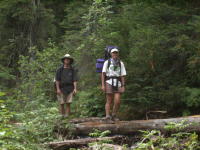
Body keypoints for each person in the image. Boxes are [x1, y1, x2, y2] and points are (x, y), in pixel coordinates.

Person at [101, 48, 126, 121]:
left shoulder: (120, 63)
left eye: (116, 53)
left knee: (117, 101)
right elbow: (103, 74)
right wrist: (103, 85)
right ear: (111, 54)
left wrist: (123, 85)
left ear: (118, 54)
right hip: (109, 81)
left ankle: (114, 115)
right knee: (109, 100)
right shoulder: (107, 62)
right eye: (113, 53)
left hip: (118, 82)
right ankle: (107, 116)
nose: (115, 54)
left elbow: (122, 75)